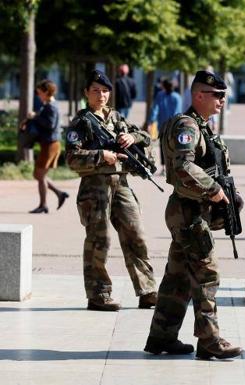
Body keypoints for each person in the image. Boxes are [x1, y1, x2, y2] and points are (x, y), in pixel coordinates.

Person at [144, 70, 243, 360]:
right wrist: (213, 189)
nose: (222, 101)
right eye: (217, 96)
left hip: (191, 212)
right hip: (189, 214)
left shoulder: (203, 126)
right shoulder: (187, 126)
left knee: (177, 277)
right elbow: (183, 166)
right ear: (199, 95)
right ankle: (210, 340)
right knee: (207, 275)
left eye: (224, 96)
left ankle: (161, 337)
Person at [65, 70, 158, 311]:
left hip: (121, 184)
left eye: (105, 91)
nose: (101, 95)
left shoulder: (116, 118)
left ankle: (147, 290)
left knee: (136, 233)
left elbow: (146, 137)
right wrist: (100, 156)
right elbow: (72, 158)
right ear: (86, 93)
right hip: (94, 187)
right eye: (95, 90)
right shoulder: (81, 122)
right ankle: (98, 294)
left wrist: (131, 137)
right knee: (100, 240)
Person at [21, 79, 69, 214]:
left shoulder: (51, 106)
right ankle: (59, 194)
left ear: (47, 92)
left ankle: (44, 204)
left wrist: (35, 116)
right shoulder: (48, 104)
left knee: (39, 175)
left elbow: (50, 125)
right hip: (49, 143)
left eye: (40, 92)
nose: (38, 95)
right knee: (39, 175)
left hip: (50, 144)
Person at [148, 78, 182, 171]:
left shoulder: (160, 95)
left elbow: (155, 109)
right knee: (173, 146)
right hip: (174, 126)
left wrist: (151, 121)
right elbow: (177, 112)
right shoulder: (177, 97)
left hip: (163, 125)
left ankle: (164, 166)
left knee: (163, 145)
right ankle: (172, 165)